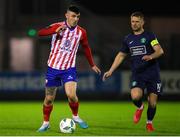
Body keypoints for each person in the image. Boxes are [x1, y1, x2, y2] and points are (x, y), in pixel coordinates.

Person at [37, 5, 101, 132]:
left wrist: (92, 64)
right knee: (49, 99)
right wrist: (54, 31)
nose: (76, 19)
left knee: (71, 95)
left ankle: (76, 116)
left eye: (78, 16)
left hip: (69, 69)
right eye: (73, 16)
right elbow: (40, 33)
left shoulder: (81, 32)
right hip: (53, 68)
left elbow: (86, 47)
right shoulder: (57, 26)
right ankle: (45, 123)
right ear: (67, 15)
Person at [103, 11, 164, 132]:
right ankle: (140, 107)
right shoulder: (128, 39)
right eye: (132, 21)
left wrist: (151, 56)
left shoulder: (149, 36)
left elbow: (160, 51)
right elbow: (121, 55)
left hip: (152, 73)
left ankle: (149, 122)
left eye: (137, 21)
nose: (134, 24)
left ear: (142, 22)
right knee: (135, 96)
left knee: (152, 103)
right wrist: (111, 70)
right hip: (138, 73)